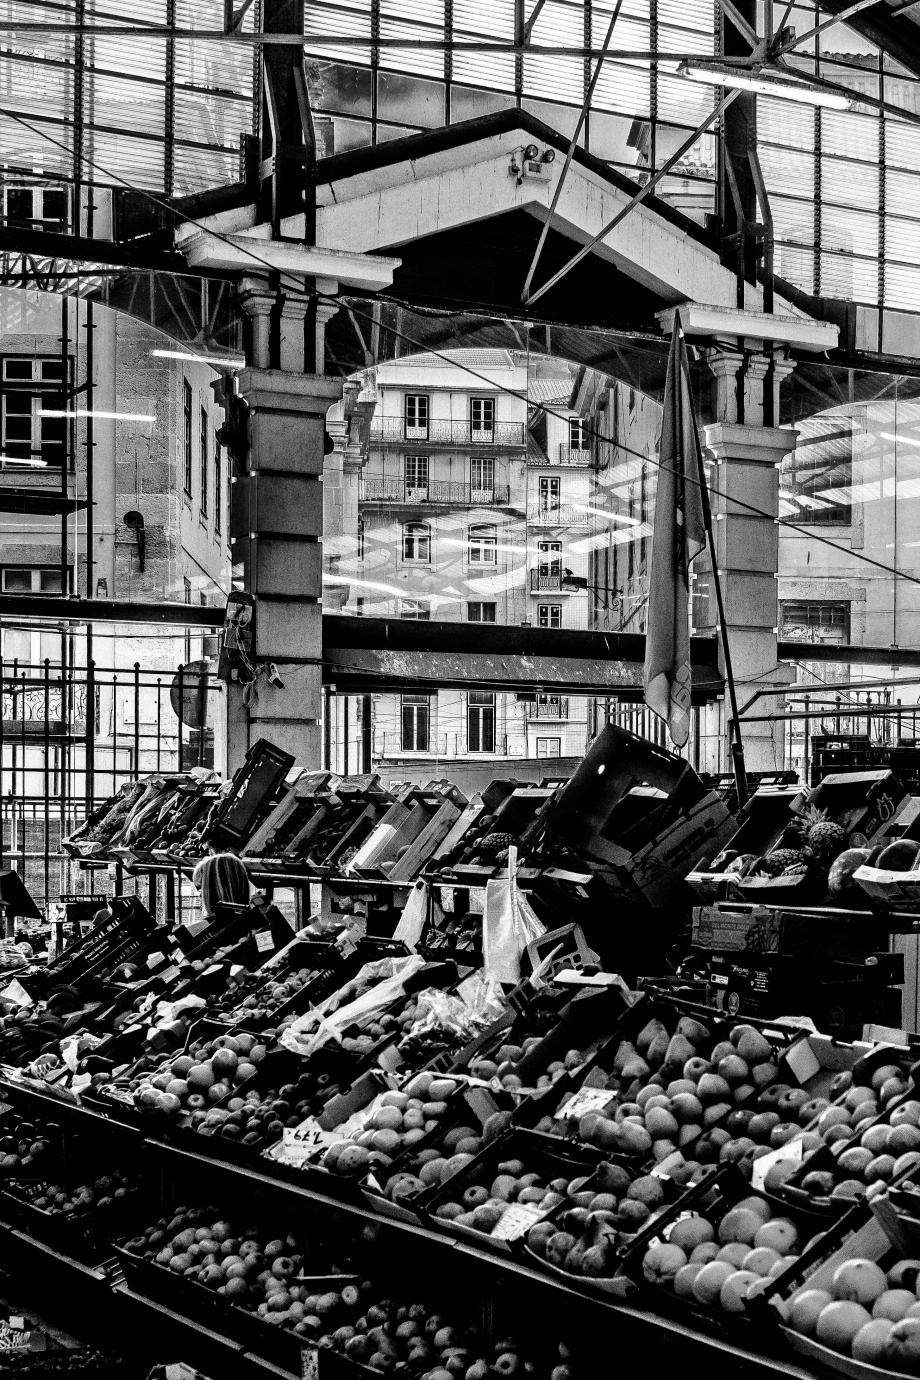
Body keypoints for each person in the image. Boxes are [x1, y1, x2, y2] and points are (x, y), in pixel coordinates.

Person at [191, 852, 251, 920]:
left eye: (201, 888)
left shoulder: (211, 927)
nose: (200, 895)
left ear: (214, 888)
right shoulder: (251, 919)